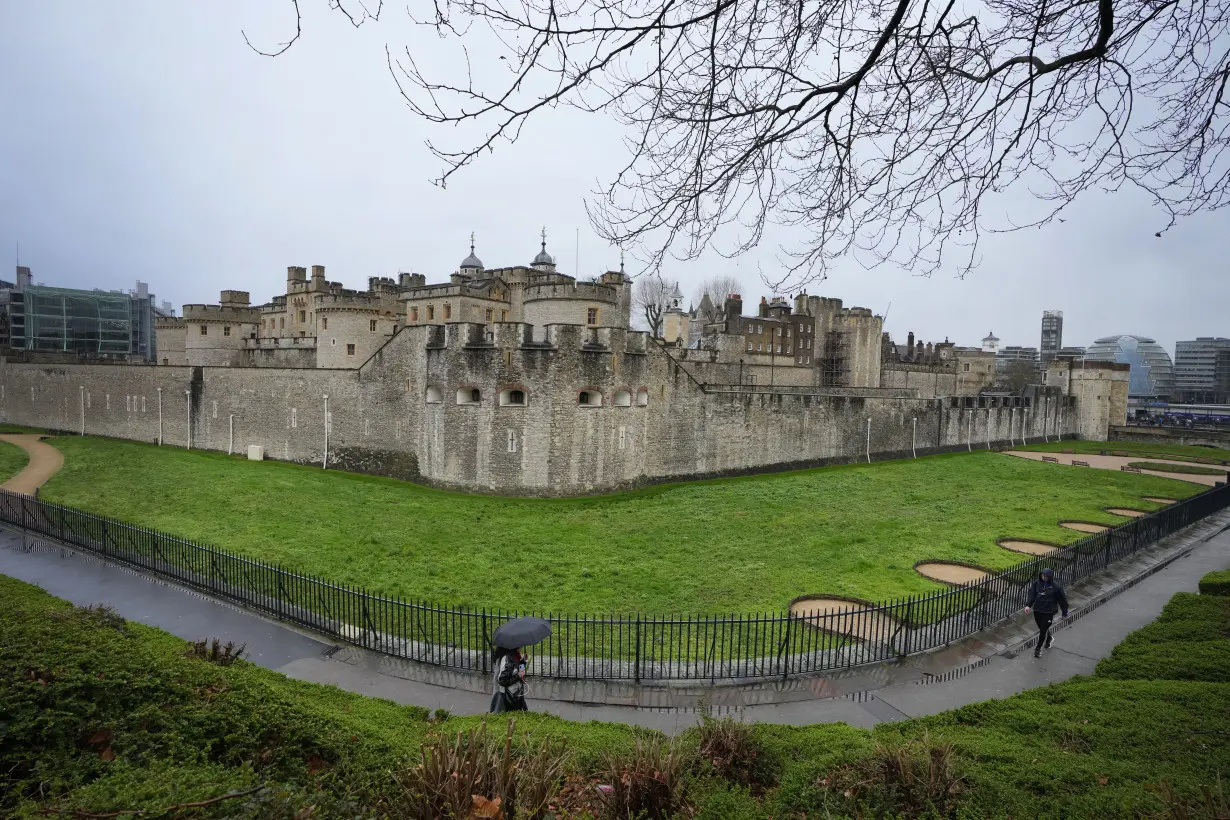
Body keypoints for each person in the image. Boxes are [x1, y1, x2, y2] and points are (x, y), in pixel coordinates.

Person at [1025, 567, 1069, 658]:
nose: (1044, 577)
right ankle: (1049, 638)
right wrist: (1028, 605)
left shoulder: (1056, 587)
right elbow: (1032, 594)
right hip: (1037, 610)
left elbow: (1062, 600)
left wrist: (1064, 612)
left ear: (1050, 577)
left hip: (1048, 611)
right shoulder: (1037, 584)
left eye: (1046, 576)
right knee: (1042, 628)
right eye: (1043, 575)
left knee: (1042, 631)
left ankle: (1038, 649)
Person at [489, 646, 529, 713]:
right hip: (510, 696)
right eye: (519, 646)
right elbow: (503, 681)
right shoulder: (509, 659)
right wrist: (518, 676)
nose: (521, 647)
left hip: (516, 694)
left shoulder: (516, 656)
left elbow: (520, 672)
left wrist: (523, 661)